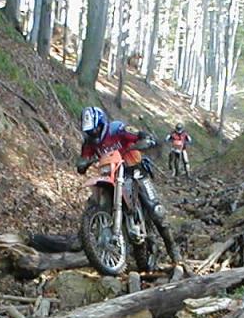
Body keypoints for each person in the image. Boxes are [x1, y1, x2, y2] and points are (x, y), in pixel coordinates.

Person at [77, 106, 182, 266]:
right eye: (90, 131)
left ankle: (174, 251)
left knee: (156, 211)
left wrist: (144, 140)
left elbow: (139, 134)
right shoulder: (89, 142)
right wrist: (83, 163)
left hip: (134, 170)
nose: (94, 133)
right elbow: (82, 160)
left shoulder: (117, 129)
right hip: (111, 176)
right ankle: (105, 238)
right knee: (95, 199)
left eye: (95, 129)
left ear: (102, 123)